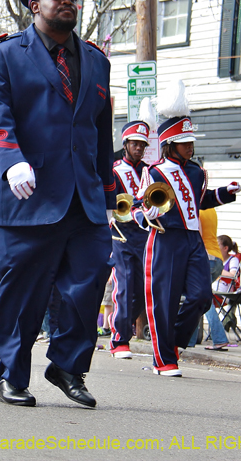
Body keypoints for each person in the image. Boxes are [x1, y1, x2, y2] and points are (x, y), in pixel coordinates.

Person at [0, 0, 115, 408]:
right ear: (35, 4)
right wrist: (10, 161)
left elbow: (100, 131)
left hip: (83, 199)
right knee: (22, 295)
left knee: (90, 279)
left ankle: (67, 366)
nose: (68, 5)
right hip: (27, 195)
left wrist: (109, 192)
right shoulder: (4, 54)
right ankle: (13, 376)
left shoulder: (95, 61)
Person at [137, 80, 239, 376]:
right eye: (185, 142)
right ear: (170, 145)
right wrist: (149, 211)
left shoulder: (196, 171)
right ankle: (163, 359)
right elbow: (138, 208)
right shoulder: (154, 171)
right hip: (165, 240)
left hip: (193, 240)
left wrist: (225, 192)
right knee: (164, 300)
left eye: (192, 141)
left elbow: (200, 201)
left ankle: (175, 342)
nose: (191, 146)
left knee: (201, 297)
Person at [107, 107, 152, 359]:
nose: (139, 148)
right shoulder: (114, 170)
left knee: (142, 290)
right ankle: (119, 339)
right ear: (125, 144)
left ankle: (125, 326)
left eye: (142, 145)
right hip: (121, 235)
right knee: (123, 287)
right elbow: (110, 203)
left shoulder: (149, 170)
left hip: (145, 236)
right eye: (135, 144)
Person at [193, 208, 231, 351]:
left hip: (205, 257)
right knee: (196, 296)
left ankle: (219, 338)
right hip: (217, 259)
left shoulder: (195, 209)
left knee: (203, 299)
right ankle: (190, 339)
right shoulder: (211, 209)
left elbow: (198, 236)